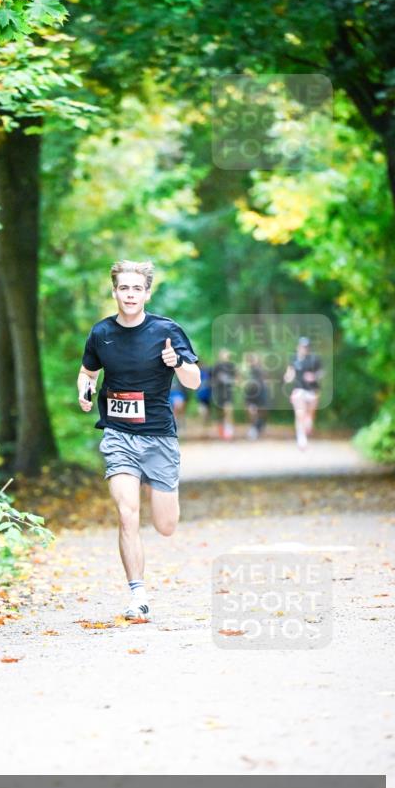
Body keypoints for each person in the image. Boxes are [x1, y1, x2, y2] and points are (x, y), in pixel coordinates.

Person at [77, 260, 200, 621]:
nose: (129, 295)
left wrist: (176, 361)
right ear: (114, 291)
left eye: (136, 289)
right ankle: (138, 596)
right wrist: (85, 390)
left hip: (159, 436)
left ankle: (163, 495)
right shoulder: (101, 334)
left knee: (165, 526)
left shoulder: (166, 330)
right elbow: (87, 372)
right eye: (123, 288)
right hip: (118, 434)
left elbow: (193, 380)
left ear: (146, 292)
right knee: (126, 514)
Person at [283, 336, 324, 450]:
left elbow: (321, 372)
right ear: (298, 347)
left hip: (312, 390)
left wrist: (314, 376)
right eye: (302, 347)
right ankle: (301, 439)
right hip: (299, 390)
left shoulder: (314, 359)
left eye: (306, 347)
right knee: (300, 414)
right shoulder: (293, 359)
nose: (304, 349)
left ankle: (308, 425)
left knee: (309, 415)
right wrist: (288, 377)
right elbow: (290, 372)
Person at [212, 349, 236, 440]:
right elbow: (213, 380)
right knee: (220, 412)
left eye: (226, 354)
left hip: (228, 392)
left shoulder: (231, 366)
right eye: (223, 354)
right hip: (219, 392)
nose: (225, 356)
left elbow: (237, 378)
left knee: (229, 410)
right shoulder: (217, 366)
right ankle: (221, 431)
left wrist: (231, 381)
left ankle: (229, 431)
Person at [243, 352, 268, 440]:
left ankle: (258, 427)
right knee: (251, 411)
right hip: (250, 394)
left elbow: (264, 380)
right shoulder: (247, 370)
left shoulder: (260, 370)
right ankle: (254, 428)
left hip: (260, 394)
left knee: (260, 412)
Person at [196, 361, 212, 434]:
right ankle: (203, 426)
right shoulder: (198, 373)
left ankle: (205, 426)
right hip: (201, 395)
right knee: (203, 411)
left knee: (207, 412)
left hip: (207, 395)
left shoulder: (207, 373)